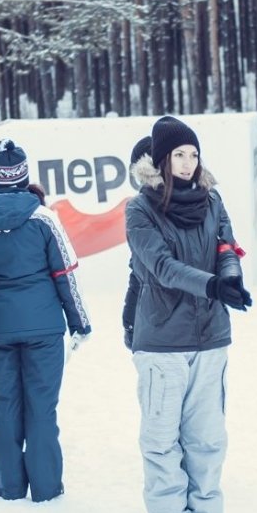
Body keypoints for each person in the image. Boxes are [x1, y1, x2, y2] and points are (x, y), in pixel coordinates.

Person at [125, 116, 252, 513]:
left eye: (193, 154)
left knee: (208, 438)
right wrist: (212, 285)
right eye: (179, 154)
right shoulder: (139, 209)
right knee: (162, 440)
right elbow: (160, 267)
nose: (188, 162)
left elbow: (226, 246)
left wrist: (231, 279)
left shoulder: (212, 200)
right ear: (162, 159)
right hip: (162, 341)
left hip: (211, 336)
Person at [0, 139, 92, 503]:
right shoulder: (44, 219)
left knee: (5, 407)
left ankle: (9, 486)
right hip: (44, 330)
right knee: (41, 408)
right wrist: (79, 322)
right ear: (23, 177)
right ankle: (47, 489)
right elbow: (66, 273)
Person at [122, 135, 152, 351]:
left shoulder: (140, 208)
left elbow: (140, 273)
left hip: (155, 322)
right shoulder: (204, 198)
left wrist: (129, 321)